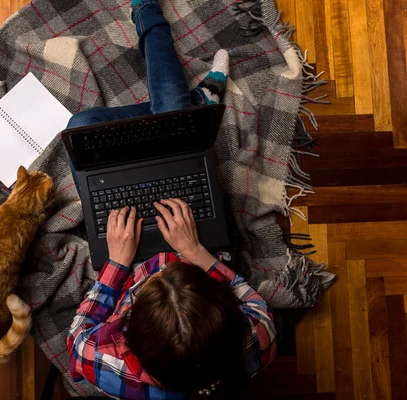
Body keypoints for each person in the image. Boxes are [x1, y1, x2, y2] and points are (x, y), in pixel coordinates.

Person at [67, 1, 277, 399]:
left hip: (128, 261)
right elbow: (255, 303)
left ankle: (193, 105)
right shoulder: (257, 338)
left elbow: (78, 336)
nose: (165, 268)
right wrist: (196, 252)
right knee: (177, 127)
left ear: (129, 337)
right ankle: (191, 106)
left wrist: (115, 265)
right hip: (201, 242)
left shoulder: (104, 360)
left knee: (82, 128)